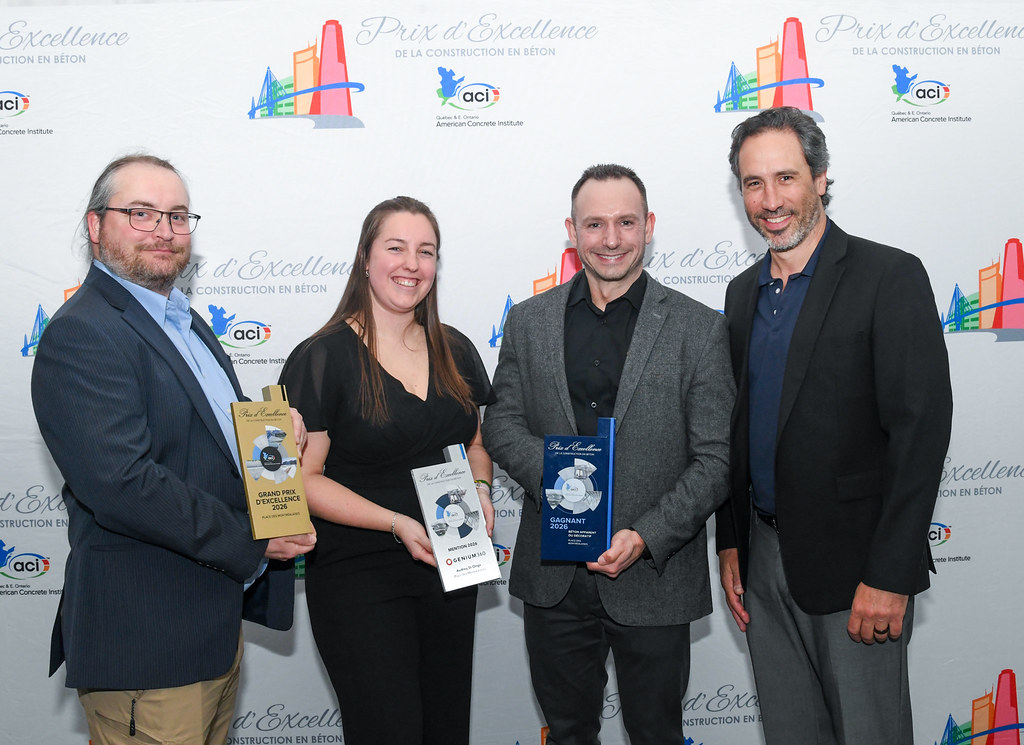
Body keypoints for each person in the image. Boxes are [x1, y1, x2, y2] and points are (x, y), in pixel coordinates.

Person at [30, 153, 316, 745]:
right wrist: (252, 540)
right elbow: (123, 483)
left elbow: (198, 437)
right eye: (141, 213)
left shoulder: (185, 322)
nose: (163, 230)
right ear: (95, 225)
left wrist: (267, 430)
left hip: (209, 628)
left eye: (177, 216)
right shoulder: (84, 331)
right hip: (146, 640)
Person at [715, 107, 954, 745]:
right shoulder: (740, 294)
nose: (770, 200)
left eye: (786, 178)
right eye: (753, 183)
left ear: (820, 179)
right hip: (764, 563)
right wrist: (731, 541)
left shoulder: (888, 276)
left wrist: (890, 574)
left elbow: (920, 432)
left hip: (858, 570)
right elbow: (736, 432)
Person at [482, 164, 734, 745]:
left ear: (649, 225)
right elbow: (502, 425)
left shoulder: (698, 328)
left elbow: (716, 458)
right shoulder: (528, 321)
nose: (611, 239)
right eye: (594, 224)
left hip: (653, 575)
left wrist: (645, 535)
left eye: (626, 222)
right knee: (568, 734)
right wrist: (565, 482)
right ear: (572, 231)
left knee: (656, 735)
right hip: (554, 579)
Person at [279, 196, 495, 745]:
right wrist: (396, 523)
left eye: (426, 252)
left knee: (446, 730)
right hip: (359, 574)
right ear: (365, 258)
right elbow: (305, 479)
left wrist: (481, 488)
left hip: (448, 568)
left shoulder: (456, 349)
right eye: (396, 248)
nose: (411, 264)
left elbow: (474, 442)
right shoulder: (322, 356)